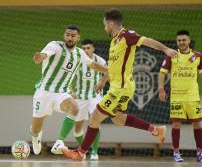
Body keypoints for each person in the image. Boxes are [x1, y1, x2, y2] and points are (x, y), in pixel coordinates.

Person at [61, 9, 178, 161]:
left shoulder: (126, 35)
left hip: (120, 88)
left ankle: (81, 152)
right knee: (118, 119)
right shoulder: (114, 41)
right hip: (120, 87)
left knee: (95, 118)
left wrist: (166, 49)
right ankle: (156, 130)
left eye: (105, 25)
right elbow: (113, 66)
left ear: (110, 23)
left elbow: (147, 40)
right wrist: (104, 80)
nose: (104, 28)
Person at [30, 25, 108, 155]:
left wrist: (107, 70)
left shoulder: (80, 53)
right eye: (67, 34)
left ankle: (59, 142)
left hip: (61, 93)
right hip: (44, 92)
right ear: (64, 35)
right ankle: (36, 136)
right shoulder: (55, 45)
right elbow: (44, 54)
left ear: (78, 37)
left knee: (74, 108)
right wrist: (39, 57)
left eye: (73, 35)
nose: (69, 37)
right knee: (36, 128)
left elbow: (92, 64)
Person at [158, 30, 202, 163]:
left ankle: (200, 153)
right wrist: (161, 89)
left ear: (189, 41)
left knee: (197, 124)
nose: (181, 42)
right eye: (179, 40)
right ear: (177, 42)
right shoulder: (172, 55)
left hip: (193, 96)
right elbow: (162, 73)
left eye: (184, 40)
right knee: (176, 124)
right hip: (177, 96)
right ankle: (176, 153)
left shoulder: (197, 56)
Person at [51, 39, 107, 160]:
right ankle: (83, 151)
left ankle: (95, 152)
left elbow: (108, 71)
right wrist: (71, 91)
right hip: (80, 97)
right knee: (77, 128)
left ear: (93, 49)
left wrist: (102, 82)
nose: (86, 50)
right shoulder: (78, 60)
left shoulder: (100, 60)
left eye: (88, 48)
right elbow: (67, 75)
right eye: (84, 48)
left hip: (95, 96)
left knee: (95, 121)